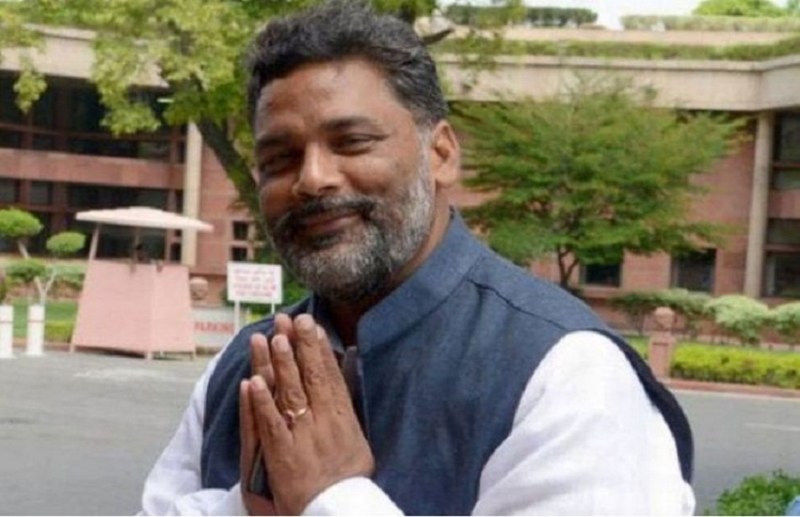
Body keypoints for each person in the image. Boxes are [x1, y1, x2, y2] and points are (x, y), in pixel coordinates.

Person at [140, 1, 696, 514]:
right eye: (279, 159)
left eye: (352, 142)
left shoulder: (565, 372)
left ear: (441, 154)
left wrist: (329, 497)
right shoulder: (241, 365)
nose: (312, 179)